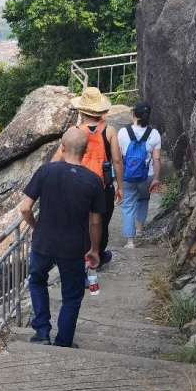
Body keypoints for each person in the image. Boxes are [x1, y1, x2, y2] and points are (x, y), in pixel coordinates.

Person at [19, 127, 107, 347]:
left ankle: (41, 332)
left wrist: (36, 226)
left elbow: (25, 208)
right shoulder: (94, 181)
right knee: (72, 295)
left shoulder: (45, 171)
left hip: (44, 242)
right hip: (74, 247)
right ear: (85, 151)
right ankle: (64, 341)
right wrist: (95, 250)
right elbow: (96, 222)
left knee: (37, 281)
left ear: (63, 147)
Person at [51, 87, 122, 269]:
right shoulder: (109, 131)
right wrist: (120, 186)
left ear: (82, 111)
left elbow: (56, 160)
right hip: (102, 185)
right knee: (101, 222)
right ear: (101, 110)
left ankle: (80, 258)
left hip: (77, 185)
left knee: (80, 224)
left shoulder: (74, 132)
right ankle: (97, 255)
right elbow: (117, 160)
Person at [118, 101, 163, 247]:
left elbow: (118, 158)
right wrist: (156, 178)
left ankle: (130, 241)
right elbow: (156, 159)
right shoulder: (154, 134)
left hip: (127, 175)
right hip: (147, 175)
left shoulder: (123, 132)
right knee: (143, 200)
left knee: (128, 205)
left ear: (134, 114)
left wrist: (117, 179)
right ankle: (139, 230)